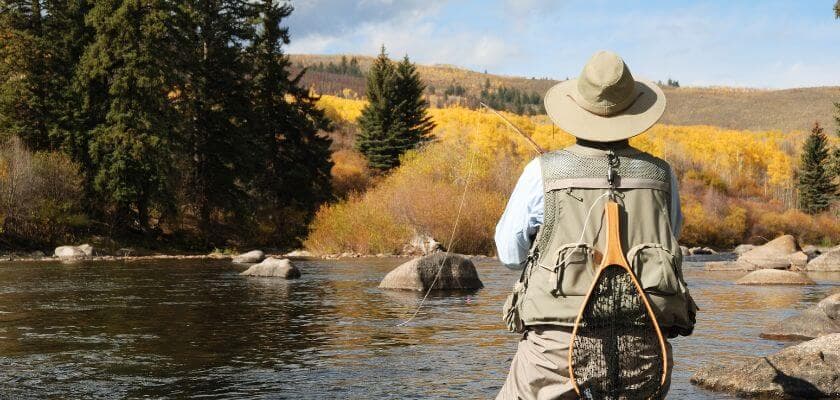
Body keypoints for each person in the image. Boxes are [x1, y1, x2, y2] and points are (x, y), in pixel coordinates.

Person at [494, 50, 698, 400]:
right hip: (644, 344)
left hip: (554, 347)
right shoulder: (662, 175)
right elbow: (670, 238)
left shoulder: (542, 171)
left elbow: (510, 251)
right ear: (633, 109)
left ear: (579, 108)